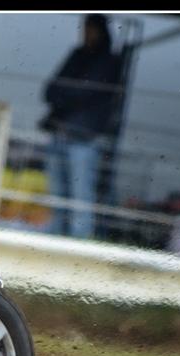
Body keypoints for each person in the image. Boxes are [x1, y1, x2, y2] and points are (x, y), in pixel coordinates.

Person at [40, 14, 120, 238]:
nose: (85, 34)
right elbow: (50, 90)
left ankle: (78, 248)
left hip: (83, 138)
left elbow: (81, 91)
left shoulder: (109, 61)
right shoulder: (78, 55)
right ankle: (55, 244)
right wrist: (70, 95)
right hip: (62, 133)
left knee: (80, 199)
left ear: (101, 31)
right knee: (58, 196)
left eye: (90, 29)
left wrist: (65, 96)